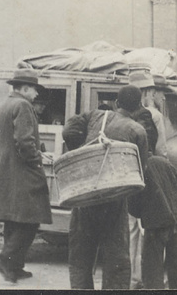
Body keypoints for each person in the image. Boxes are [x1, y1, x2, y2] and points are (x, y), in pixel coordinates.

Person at [62, 85, 149, 289]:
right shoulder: (137, 130)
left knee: (80, 258)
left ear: (116, 103)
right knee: (116, 260)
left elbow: (68, 130)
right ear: (138, 107)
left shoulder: (95, 116)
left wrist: (82, 153)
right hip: (114, 200)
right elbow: (140, 171)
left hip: (86, 196)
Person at [0, 69, 52, 283]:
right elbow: (24, 141)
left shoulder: (1, 106)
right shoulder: (23, 106)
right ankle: (5, 260)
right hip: (24, 172)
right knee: (32, 219)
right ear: (24, 89)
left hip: (4, 171)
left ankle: (14, 268)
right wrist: (36, 160)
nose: (36, 94)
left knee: (14, 220)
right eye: (34, 89)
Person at [128, 156, 177, 289]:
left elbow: (133, 205)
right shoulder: (162, 161)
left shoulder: (138, 168)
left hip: (155, 224)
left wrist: (143, 214)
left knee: (152, 269)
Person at [127, 71, 165, 289]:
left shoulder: (120, 112)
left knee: (131, 227)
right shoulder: (154, 115)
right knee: (149, 227)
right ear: (148, 92)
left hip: (127, 174)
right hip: (148, 172)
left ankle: (132, 277)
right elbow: (161, 150)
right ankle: (147, 276)